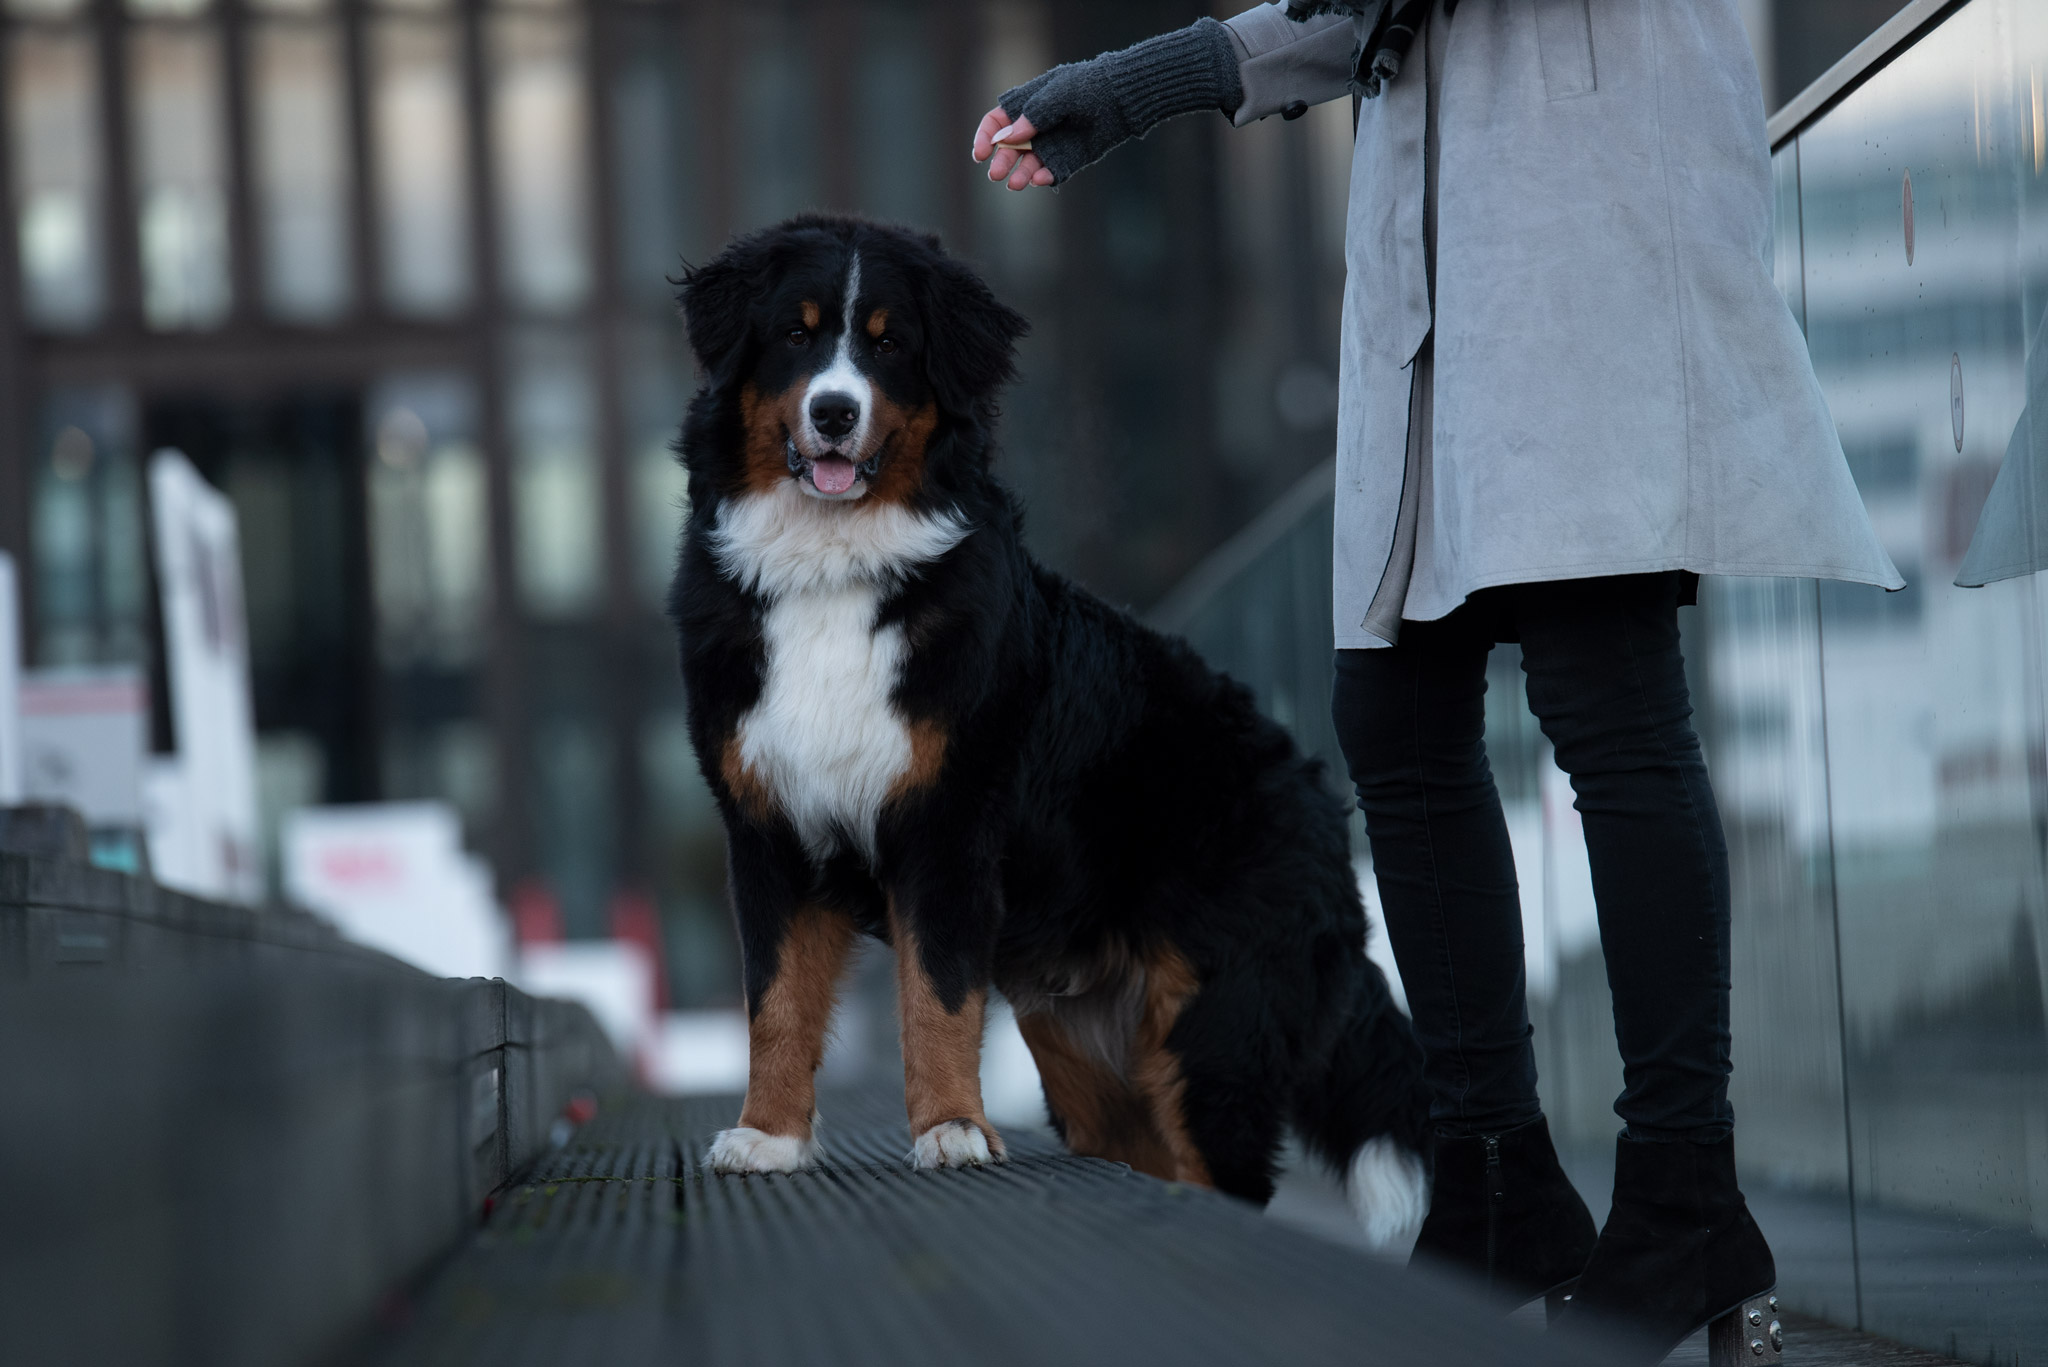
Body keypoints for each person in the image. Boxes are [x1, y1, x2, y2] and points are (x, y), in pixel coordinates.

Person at [972, 1, 1900, 1358]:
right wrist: (1133, 89)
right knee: (1394, 711)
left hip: (1586, 229)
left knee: (1611, 702)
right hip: (1438, 268)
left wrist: (1144, 78)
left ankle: (1685, 1191)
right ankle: (1492, 1170)